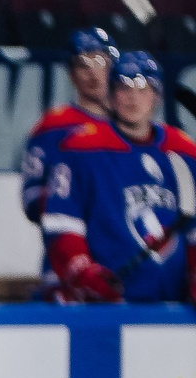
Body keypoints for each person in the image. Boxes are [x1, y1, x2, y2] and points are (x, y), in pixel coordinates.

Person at [41, 52, 196, 306]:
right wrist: (82, 273)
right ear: (111, 96)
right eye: (124, 88)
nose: (133, 98)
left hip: (171, 308)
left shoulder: (183, 151)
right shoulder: (80, 148)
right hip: (103, 309)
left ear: (156, 96)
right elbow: (61, 224)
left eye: (142, 88)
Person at [21, 28, 115, 229]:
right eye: (83, 64)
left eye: (99, 61)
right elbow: (30, 198)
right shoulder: (52, 126)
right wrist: (74, 198)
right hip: (69, 248)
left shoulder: (131, 127)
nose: (93, 73)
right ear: (71, 74)